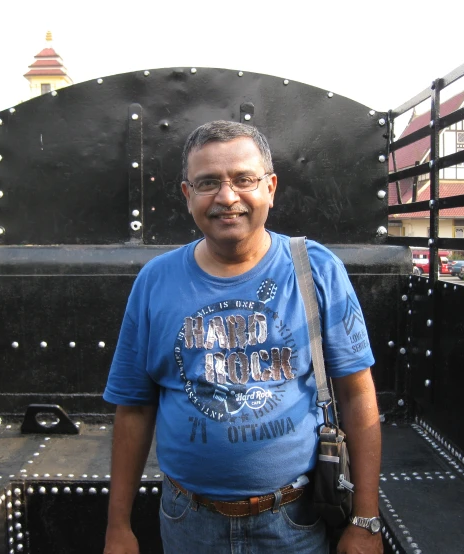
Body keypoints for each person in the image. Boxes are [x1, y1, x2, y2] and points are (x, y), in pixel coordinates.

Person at [103, 120, 382, 554]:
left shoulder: (317, 270)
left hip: (295, 521)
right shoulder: (155, 282)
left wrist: (366, 519)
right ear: (187, 195)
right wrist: (117, 527)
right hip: (188, 523)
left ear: (270, 187)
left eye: (244, 180)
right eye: (208, 182)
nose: (227, 197)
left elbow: (357, 395)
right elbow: (135, 409)